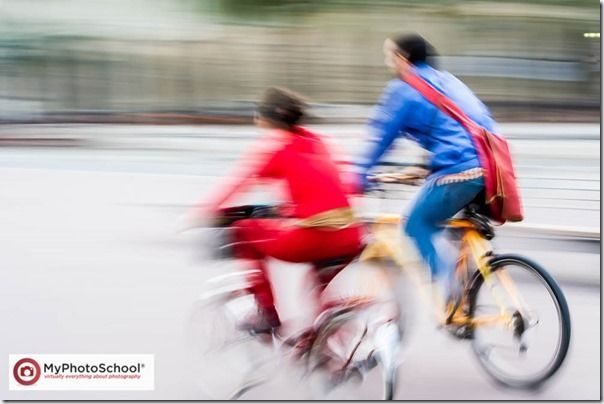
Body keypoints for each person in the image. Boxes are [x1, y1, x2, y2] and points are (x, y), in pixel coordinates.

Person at [203, 87, 363, 334]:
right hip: (351, 236)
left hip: (314, 237)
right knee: (316, 285)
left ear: (265, 117)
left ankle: (267, 314)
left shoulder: (274, 146)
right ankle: (331, 346)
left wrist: (205, 212)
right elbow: (346, 185)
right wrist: (291, 210)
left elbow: (239, 182)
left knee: (243, 231)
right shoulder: (321, 142)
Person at [356, 33, 496, 307]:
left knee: (415, 223)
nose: (388, 62)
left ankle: (450, 289)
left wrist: (357, 176)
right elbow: (457, 129)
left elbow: (380, 137)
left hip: (459, 171)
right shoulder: (449, 82)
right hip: (490, 169)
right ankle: (467, 286)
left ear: (402, 58)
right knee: (454, 227)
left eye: (389, 56)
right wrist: (425, 166)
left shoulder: (403, 89)